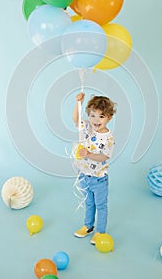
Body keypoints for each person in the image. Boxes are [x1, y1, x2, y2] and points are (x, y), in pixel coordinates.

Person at [72, 92, 116, 245]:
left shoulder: (109, 137)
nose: (96, 120)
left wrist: (89, 154)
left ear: (109, 117)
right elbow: (76, 120)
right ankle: (88, 225)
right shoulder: (87, 128)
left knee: (101, 205)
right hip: (84, 175)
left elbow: (104, 157)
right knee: (89, 203)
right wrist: (78, 104)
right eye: (93, 115)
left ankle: (100, 231)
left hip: (98, 178)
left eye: (101, 116)